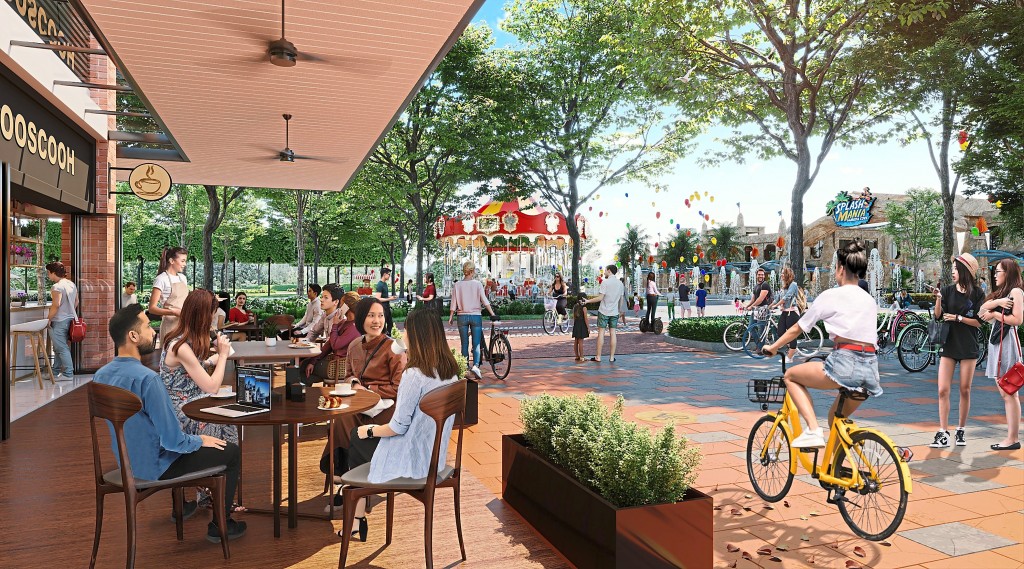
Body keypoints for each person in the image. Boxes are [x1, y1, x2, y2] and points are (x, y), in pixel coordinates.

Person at [93, 304, 246, 543]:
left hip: (127, 464)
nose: (153, 331)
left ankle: (192, 504)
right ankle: (220, 525)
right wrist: (200, 440)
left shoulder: (100, 376)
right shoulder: (148, 380)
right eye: (147, 326)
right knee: (231, 452)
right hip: (156, 467)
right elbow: (174, 442)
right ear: (133, 336)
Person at [340, 308, 461, 540]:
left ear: (416, 336)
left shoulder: (414, 375)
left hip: (412, 462)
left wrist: (369, 430)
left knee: (357, 436)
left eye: (406, 330)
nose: (403, 335)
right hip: (435, 458)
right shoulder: (451, 372)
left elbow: (397, 427)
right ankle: (357, 515)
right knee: (361, 437)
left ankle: (357, 515)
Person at [763, 241, 879, 449]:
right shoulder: (869, 300)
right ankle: (837, 466)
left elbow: (798, 328)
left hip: (845, 363)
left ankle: (813, 430)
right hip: (870, 370)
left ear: (841, 269)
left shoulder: (831, 295)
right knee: (836, 419)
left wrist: (773, 347)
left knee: (790, 376)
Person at [159, 289, 242, 513]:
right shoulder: (181, 346)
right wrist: (222, 355)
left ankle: (212, 493)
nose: (214, 319)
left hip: (186, 406)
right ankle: (215, 497)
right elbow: (211, 386)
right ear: (203, 316)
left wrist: (209, 362)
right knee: (223, 423)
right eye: (212, 314)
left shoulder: (179, 340)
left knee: (225, 421)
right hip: (183, 413)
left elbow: (187, 372)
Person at [321, 297, 405, 505]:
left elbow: (399, 388)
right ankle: (347, 477)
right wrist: (355, 382)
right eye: (371, 315)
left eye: (380, 316)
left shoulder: (394, 348)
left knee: (348, 423)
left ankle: (349, 481)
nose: (377, 321)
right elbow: (348, 375)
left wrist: (369, 390)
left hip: (387, 409)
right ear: (360, 319)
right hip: (361, 405)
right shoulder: (355, 345)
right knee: (341, 418)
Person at [929, 253, 985, 449]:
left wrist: (958, 318)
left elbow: (979, 322)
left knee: (964, 389)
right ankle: (943, 432)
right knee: (942, 390)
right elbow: (938, 316)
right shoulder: (947, 290)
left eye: (955, 269)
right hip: (949, 344)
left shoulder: (977, 293)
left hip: (968, 345)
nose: (953, 272)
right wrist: (938, 299)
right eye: (952, 268)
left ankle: (960, 429)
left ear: (964, 271)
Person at [979, 259, 1023, 451]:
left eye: (998, 271)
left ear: (1008, 273)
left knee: (1009, 392)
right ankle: (1011, 438)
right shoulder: (1002, 294)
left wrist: (995, 314)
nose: (995, 275)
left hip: (1007, 343)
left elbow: (1017, 320)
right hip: (999, 343)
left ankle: (1012, 439)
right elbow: (981, 311)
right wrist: (997, 303)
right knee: (1007, 393)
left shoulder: (1016, 292)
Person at [449, 261, 498, 379]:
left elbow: (453, 302)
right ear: (472, 271)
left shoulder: (457, 285)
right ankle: (476, 366)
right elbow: (484, 300)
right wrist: (492, 313)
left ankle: (465, 367)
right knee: (476, 344)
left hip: (461, 316)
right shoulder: (477, 284)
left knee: (464, 343)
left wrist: (451, 317)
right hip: (476, 316)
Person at [303, 289, 361, 384]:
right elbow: (328, 345)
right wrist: (313, 361)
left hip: (339, 368)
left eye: (341, 304)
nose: (339, 307)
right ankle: (305, 391)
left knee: (303, 367)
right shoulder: (343, 323)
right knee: (306, 366)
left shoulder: (354, 327)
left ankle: (301, 391)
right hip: (333, 364)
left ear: (346, 306)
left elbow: (335, 345)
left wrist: (335, 325)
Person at [583, 264, 625, 363]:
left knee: (601, 333)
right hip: (614, 312)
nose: (604, 272)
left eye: (605, 270)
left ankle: (598, 357)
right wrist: (619, 311)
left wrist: (588, 301)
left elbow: (600, 298)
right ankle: (611, 357)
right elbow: (621, 299)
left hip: (604, 311)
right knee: (613, 333)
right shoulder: (620, 284)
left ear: (609, 271)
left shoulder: (605, 282)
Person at [45, 262, 79, 380]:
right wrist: (68, 311)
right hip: (68, 319)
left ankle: (68, 374)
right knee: (58, 347)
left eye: (48, 273)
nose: (48, 275)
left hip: (58, 320)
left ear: (53, 273)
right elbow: (76, 301)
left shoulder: (57, 287)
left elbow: (56, 305)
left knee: (61, 348)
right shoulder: (71, 284)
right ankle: (54, 373)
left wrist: (48, 319)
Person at [150, 247, 188, 346]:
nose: (185, 264)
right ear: (171, 261)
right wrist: (173, 312)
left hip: (184, 325)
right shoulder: (161, 279)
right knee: (170, 354)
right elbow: (152, 308)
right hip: (170, 326)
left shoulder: (183, 278)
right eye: (182, 261)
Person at [772, 267, 801, 363]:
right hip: (785, 312)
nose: (781, 275)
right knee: (780, 332)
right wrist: (769, 306)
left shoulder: (793, 285)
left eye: (783, 273)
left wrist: (776, 305)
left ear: (787, 275)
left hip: (792, 312)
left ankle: (790, 357)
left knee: (791, 334)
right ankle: (793, 348)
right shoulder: (784, 287)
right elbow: (777, 299)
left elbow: (787, 297)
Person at [743, 268, 773, 341]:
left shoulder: (765, 285)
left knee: (761, 330)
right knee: (750, 328)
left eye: (762, 275)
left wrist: (752, 306)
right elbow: (753, 299)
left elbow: (761, 298)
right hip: (757, 309)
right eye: (759, 274)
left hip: (763, 309)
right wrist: (747, 306)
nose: (761, 276)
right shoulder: (756, 286)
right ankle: (759, 344)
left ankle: (761, 346)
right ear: (756, 275)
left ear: (764, 276)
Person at [374, 268, 399, 335]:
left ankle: (388, 337)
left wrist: (391, 297)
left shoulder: (384, 284)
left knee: (390, 323)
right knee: (383, 325)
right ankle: (383, 338)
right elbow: (377, 298)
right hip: (382, 308)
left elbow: (384, 296)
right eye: (389, 274)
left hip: (387, 307)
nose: (389, 276)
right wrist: (389, 299)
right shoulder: (380, 285)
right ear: (384, 274)